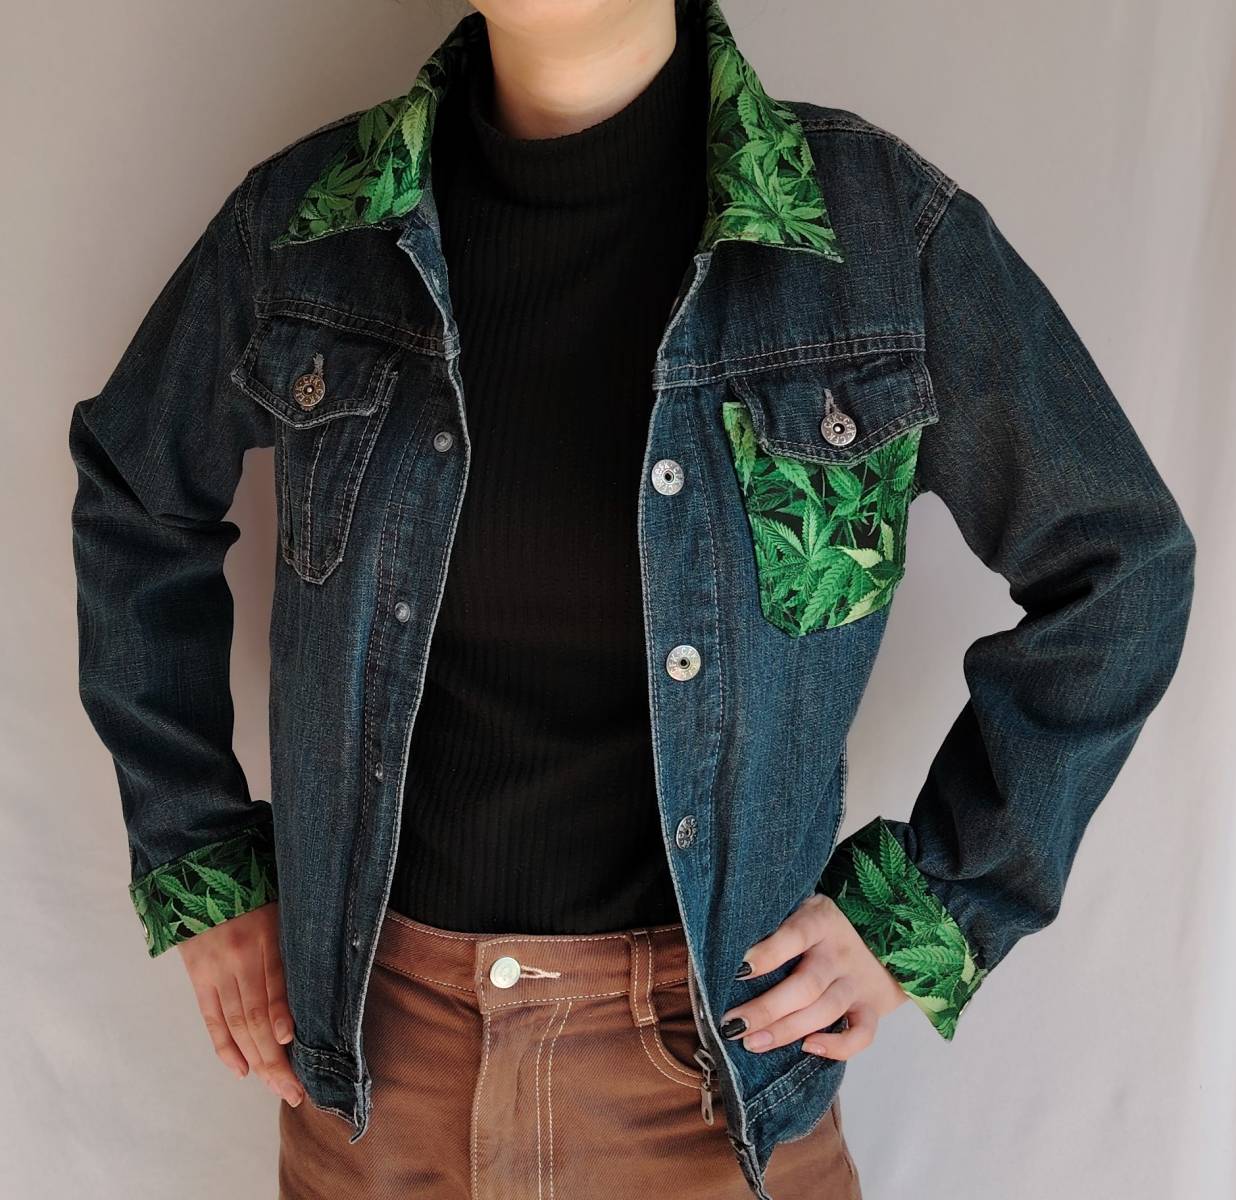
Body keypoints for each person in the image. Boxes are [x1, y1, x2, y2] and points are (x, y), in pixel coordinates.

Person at [67, 0, 1195, 1196]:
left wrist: (932, 911)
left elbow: (1119, 568)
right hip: (375, 1084)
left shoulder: (873, 237)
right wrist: (197, 860)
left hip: (710, 1085)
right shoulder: (309, 227)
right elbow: (137, 497)